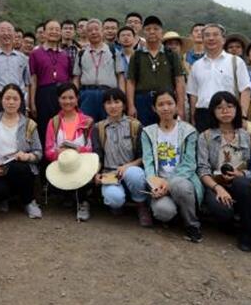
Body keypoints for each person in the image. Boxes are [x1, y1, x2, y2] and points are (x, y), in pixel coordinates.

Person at [197, 92, 251, 252]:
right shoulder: (205, 137)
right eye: (219, 107)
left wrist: (242, 174)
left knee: (242, 183)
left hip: (242, 185)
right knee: (223, 211)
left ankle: (248, 234)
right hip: (216, 184)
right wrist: (218, 188)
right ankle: (227, 224)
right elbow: (202, 169)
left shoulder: (249, 137)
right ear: (213, 111)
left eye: (230, 106)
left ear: (237, 109)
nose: (225, 111)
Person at [141, 89, 203, 242]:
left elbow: (189, 164)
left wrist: (168, 184)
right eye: (161, 104)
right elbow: (148, 162)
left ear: (176, 106)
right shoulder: (148, 132)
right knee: (162, 211)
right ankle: (176, 215)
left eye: (170, 103)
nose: (166, 108)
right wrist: (154, 184)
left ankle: (192, 225)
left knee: (179, 185)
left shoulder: (189, 131)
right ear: (154, 108)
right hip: (160, 182)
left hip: (183, 180)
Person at [0, 84, 44, 219]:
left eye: (15, 99)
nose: (11, 102)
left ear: (21, 101)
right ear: (1, 100)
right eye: (7, 98)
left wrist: (26, 156)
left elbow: (39, 152)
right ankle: (5, 198)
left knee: (19, 168)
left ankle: (28, 201)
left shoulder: (29, 124)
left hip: (20, 168)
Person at [92, 88, 149, 225]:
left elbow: (143, 156)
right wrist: (96, 173)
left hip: (130, 170)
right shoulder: (98, 128)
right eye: (108, 103)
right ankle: (117, 204)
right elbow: (97, 155)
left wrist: (128, 166)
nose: (113, 106)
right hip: (109, 174)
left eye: (117, 102)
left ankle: (141, 205)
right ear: (104, 106)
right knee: (114, 199)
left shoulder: (135, 125)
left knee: (135, 174)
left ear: (124, 104)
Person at [44, 83, 96, 220]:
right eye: (63, 98)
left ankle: (83, 203)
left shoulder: (87, 121)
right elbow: (48, 151)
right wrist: (60, 153)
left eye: (71, 98)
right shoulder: (54, 122)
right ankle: (67, 196)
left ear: (77, 98)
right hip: (62, 165)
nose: (67, 101)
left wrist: (78, 150)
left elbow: (93, 149)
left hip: (82, 163)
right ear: (58, 99)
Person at [186, 23, 251, 132]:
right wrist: (193, 117)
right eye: (207, 35)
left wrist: (243, 116)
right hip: (203, 115)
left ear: (223, 40)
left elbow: (245, 89)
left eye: (215, 35)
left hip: (228, 113)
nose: (211, 38)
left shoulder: (236, 61)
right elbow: (193, 95)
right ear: (203, 40)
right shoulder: (196, 65)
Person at [126, 16, 186, 126]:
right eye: (148, 29)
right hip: (142, 100)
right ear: (143, 32)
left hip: (166, 100)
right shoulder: (137, 55)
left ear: (161, 32)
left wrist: (180, 106)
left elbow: (179, 81)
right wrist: (131, 106)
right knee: (143, 131)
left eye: (155, 29)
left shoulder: (171, 55)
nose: (152, 32)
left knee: (167, 131)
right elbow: (130, 82)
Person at [29, 19, 72, 145]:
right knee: (44, 127)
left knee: (63, 128)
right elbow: (33, 79)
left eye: (57, 29)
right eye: (51, 29)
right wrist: (32, 102)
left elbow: (69, 78)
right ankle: (45, 156)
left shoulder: (65, 55)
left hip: (63, 95)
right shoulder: (35, 54)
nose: (54, 32)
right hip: (43, 94)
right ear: (44, 32)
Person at [73, 19, 125, 122]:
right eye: (90, 30)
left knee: (109, 125)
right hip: (86, 95)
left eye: (96, 29)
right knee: (85, 125)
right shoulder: (81, 53)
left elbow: (120, 77)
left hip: (108, 95)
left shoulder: (113, 51)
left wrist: (122, 98)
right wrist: (74, 97)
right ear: (86, 33)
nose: (93, 32)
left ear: (102, 31)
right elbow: (76, 78)